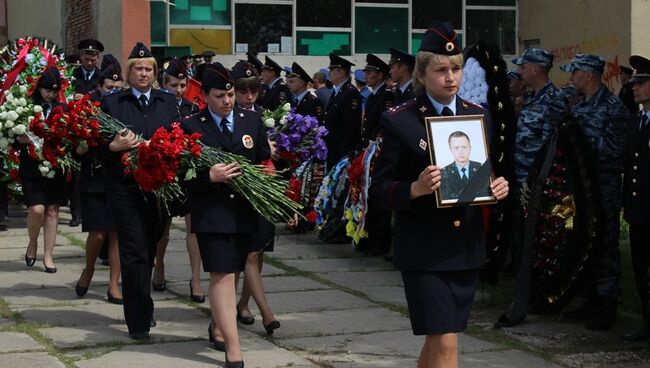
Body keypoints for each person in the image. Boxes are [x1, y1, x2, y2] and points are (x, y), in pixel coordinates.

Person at [368, 22, 509, 368]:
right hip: (424, 251)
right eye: (441, 69)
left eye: (456, 68)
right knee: (446, 343)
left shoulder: (478, 115)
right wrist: (414, 189)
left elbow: (481, 173)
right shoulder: (399, 120)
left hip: (465, 248)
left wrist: (495, 188)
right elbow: (378, 191)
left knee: (439, 340)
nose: (451, 77)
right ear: (422, 73)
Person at [181, 62, 271, 368]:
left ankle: (219, 325)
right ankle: (234, 348)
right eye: (220, 95)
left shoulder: (252, 120)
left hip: (245, 211)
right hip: (212, 212)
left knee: (234, 271)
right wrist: (209, 176)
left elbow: (262, 161)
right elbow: (181, 177)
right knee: (221, 274)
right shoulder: (191, 126)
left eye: (230, 94)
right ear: (205, 95)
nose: (228, 101)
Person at [100, 42, 178, 340]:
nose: (143, 73)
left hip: (158, 189)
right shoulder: (113, 102)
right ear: (128, 72)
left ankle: (143, 302)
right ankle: (138, 319)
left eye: (148, 69)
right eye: (138, 68)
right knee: (134, 252)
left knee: (149, 247)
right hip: (125, 187)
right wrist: (113, 146)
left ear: (155, 73)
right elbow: (97, 147)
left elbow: (176, 139)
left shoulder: (166, 102)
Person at [558, 54, 630, 331]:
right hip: (581, 189)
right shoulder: (580, 107)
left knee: (606, 244)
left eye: (574, 73)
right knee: (584, 238)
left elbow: (616, 152)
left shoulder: (613, 108)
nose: (571, 78)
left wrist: (584, 154)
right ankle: (590, 298)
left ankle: (607, 302)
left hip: (603, 188)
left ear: (588, 75)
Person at [151, 57, 205, 303]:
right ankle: (159, 266)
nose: (180, 90)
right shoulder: (157, 106)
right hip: (165, 173)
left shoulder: (192, 108)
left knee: (193, 227)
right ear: (164, 83)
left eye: (183, 85)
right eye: (174, 85)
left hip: (187, 174)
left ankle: (195, 279)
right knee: (162, 227)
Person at [74, 56, 123, 304]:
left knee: (116, 233)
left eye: (117, 88)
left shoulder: (125, 107)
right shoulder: (88, 108)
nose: (113, 92)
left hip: (117, 177)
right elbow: (76, 147)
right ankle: (89, 268)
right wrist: (83, 144)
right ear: (100, 87)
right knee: (97, 233)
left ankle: (114, 284)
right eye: (109, 88)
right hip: (94, 177)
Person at [19, 67, 67, 273]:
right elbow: (15, 135)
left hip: (55, 165)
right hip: (31, 165)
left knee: (52, 210)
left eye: (54, 91)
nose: (51, 94)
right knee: (36, 209)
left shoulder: (63, 109)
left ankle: (48, 255)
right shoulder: (27, 107)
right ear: (39, 88)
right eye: (47, 90)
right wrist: (24, 138)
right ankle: (32, 242)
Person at [512, 48, 569, 192]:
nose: (520, 72)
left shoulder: (554, 99)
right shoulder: (529, 98)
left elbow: (551, 145)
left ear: (535, 69)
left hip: (538, 179)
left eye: (523, 67)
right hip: (520, 175)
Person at [622, 55, 650, 342]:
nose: (634, 88)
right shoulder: (636, 121)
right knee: (641, 270)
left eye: (641, 83)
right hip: (639, 211)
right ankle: (647, 321)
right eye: (634, 84)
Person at [70, 39, 104, 227]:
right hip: (75, 127)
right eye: (86, 57)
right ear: (81, 56)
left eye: (93, 58)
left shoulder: (101, 76)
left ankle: (91, 209)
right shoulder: (72, 75)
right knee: (75, 173)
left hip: (95, 128)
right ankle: (76, 213)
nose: (90, 61)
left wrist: (87, 98)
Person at [324, 53, 363, 169]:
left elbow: (351, 126)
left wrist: (345, 153)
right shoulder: (337, 91)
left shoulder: (350, 92)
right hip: (332, 149)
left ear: (341, 72)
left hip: (340, 151)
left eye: (332, 69)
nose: (329, 73)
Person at [440, 131, 490, 201]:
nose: (461, 151)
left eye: (464, 147)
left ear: (470, 148)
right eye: (456, 148)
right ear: (451, 150)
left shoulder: (482, 169)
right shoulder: (443, 174)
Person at [361, 54, 395, 143]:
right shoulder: (372, 96)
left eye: (369, 73)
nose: (365, 77)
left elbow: (385, 124)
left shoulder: (387, 95)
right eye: (365, 73)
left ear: (379, 75)